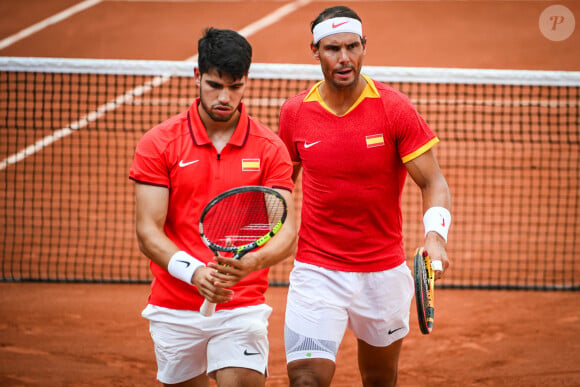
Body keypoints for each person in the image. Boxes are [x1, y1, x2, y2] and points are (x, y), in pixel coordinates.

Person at [278, 5, 452, 387]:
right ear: (315, 50)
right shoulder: (294, 113)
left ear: (364, 47)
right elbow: (280, 186)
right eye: (332, 49)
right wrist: (261, 236)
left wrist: (435, 238)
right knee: (306, 378)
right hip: (317, 271)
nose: (344, 58)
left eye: (352, 47)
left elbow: (433, 182)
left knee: (378, 379)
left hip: (383, 274)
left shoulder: (394, 109)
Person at [129, 27, 297, 387]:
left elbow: (286, 233)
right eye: (214, 85)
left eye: (235, 87)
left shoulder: (269, 148)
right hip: (174, 306)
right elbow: (147, 231)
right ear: (197, 76)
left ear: (246, 82)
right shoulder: (159, 144)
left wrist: (247, 264)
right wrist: (194, 273)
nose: (225, 97)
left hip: (241, 305)